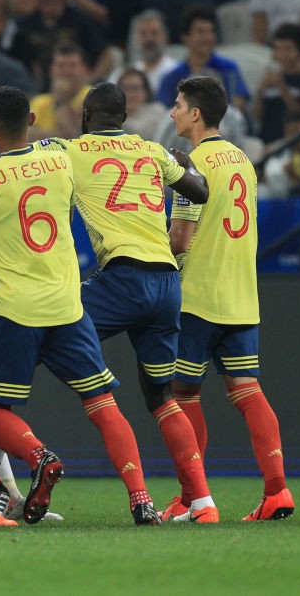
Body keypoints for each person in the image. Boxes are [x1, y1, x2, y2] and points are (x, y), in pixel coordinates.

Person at [0, 85, 159, 526]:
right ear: (31, 120)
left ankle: (39, 456)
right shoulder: (62, 162)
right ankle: (142, 501)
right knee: (103, 405)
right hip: (68, 307)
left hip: (16, 312)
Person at [47, 82, 219, 522]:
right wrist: (180, 165)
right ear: (124, 119)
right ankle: (203, 502)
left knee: (35, 337)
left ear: (87, 116)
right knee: (161, 395)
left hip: (122, 279)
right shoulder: (151, 150)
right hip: (166, 283)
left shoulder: (71, 150)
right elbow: (199, 191)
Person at [167, 76, 295, 522]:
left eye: (179, 105)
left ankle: (192, 500)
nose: (173, 112)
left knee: (182, 395)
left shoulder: (193, 164)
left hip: (198, 294)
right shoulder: (243, 159)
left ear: (196, 113)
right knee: (248, 391)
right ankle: (277, 491)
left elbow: (180, 241)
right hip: (242, 295)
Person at [156, 6, 249, 110]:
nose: (208, 38)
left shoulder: (228, 68)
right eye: (201, 32)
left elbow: (238, 105)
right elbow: (163, 111)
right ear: (185, 37)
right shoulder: (172, 77)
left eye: (211, 31)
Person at [251, 23, 300, 145]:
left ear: (299, 52)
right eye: (278, 49)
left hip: (295, 143)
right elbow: (256, 116)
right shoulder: (267, 79)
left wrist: (282, 87)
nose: (282, 55)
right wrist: (260, 90)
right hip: (267, 143)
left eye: (288, 49)